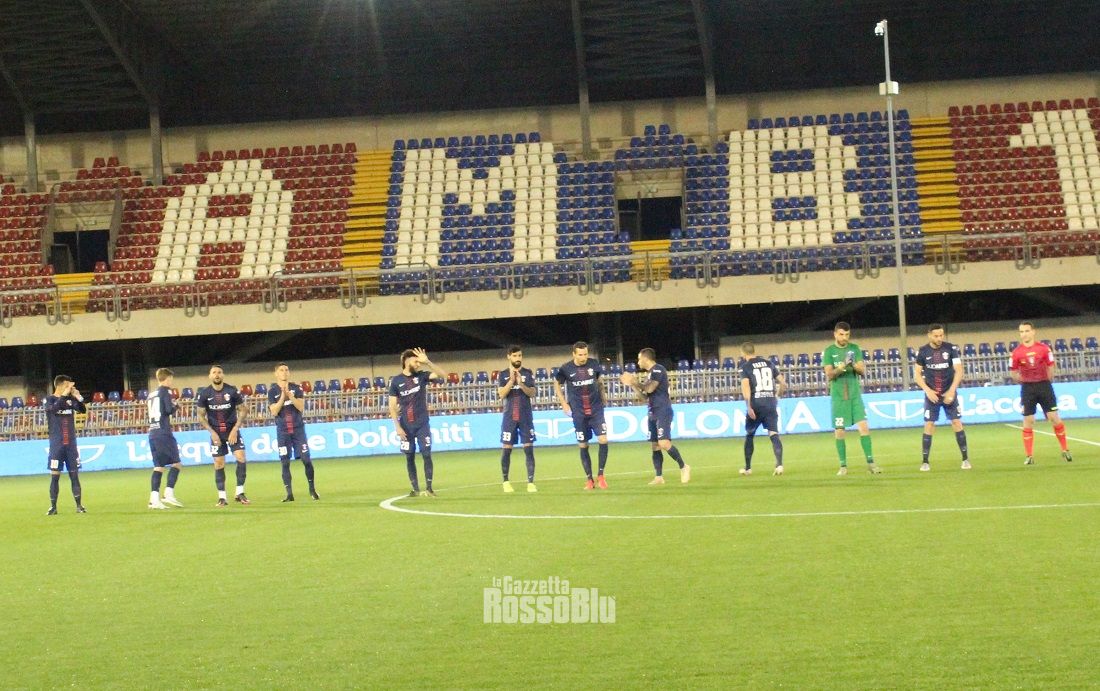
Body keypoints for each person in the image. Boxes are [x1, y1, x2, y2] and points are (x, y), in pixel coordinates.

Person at [620, 348, 690, 485]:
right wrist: (632, 385)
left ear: (646, 358)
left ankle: (684, 467)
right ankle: (659, 477)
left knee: (664, 443)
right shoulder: (649, 375)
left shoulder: (658, 369)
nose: (638, 362)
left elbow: (650, 388)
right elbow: (644, 397)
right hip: (652, 412)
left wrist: (635, 381)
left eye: (639, 359)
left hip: (662, 411)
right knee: (655, 445)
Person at [822, 322, 880, 475]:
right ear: (835, 334)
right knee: (840, 430)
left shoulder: (854, 349)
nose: (844, 337)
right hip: (839, 397)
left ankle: (871, 463)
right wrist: (842, 366)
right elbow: (829, 374)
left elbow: (862, 371)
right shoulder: (829, 351)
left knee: (864, 427)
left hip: (854, 395)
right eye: (841, 334)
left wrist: (852, 364)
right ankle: (843, 466)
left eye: (847, 334)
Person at [1010, 322, 1072, 465]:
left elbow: (1051, 366)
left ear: (1033, 332)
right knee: (1028, 420)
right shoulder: (1016, 352)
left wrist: (1047, 380)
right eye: (1021, 332)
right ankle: (1029, 456)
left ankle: (1065, 449)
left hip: (1044, 386)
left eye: (1026, 331)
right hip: (1027, 388)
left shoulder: (1044, 349)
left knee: (1053, 417)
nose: (1024, 334)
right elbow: (1013, 372)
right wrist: (1024, 382)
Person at [389, 347, 448, 497]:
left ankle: (429, 488)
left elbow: (443, 375)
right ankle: (415, 489)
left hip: (422, 424)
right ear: (407, 361)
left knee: (426, 454)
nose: (418, 364)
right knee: (409, 456)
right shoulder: (396, 381)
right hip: (405, 426)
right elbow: (392, 406)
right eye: (416, 361)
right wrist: (397, 427)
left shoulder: (422, 376)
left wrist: (428, 362)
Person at [913, 324, 970, 471]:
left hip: (948, 392)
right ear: (929, 335)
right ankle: (925, 462)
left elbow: (959, 370)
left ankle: (965, 459)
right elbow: (917, 374)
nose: (939, 338)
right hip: (932, 395)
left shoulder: (950, 349)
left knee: (956, 422)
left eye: (941, 335)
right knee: (929, 424)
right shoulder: (923, 351)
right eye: (936, 336)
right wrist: (927, 390)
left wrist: (952, 391)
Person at [554, 341, 609, 490]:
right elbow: (556, 383)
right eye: (580, 355)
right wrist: (563, 403)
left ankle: (601, 475)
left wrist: (603, 396)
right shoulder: (566, 368)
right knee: (583, 445)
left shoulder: (594, 364)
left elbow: (599, 381)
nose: (583, 357)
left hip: (596, 409)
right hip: (578, 412)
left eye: (585, 354)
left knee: (603, 439)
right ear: (574, 354)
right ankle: (589, 479)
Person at [196, 364, 250, 506]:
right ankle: (222, 497)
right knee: (219, 463)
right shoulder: (205, 394)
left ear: (223, 375)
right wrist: (212, 433)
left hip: (232, 431)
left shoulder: (231, 391)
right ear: (210, 376)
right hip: (216, 433)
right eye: (214, 372)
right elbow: (200, 416)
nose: (217, 374)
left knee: (241, 457)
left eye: (219, 372)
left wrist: (235, 429)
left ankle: (240, 492)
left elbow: (243, 410)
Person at [269, 363, 319, 501]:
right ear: (276, 373)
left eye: (286, 370)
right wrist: (282, 397)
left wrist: (290, 396)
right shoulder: (272, 391)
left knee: (306, 459)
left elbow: (301, 407)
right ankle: (289, 494)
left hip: (298, 430)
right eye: (281, 370)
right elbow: (274, 411)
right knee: (285, 462)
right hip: (283, 432)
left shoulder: (297, 388)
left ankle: (312, 490)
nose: (284, 372)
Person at [738, 342, 785, 476]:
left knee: (750, 435)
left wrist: (748, 406)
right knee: (774, 434)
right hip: (770, 403)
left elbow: (746, 387)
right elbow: (783, 382)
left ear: (743, 353)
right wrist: (777, 397)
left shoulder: (745, 367)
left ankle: (748, 468)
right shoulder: (769, 363)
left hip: (756, 404)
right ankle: (779, 465)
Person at [496, 346, 538, 493]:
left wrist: (520, 383)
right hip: (509, 417)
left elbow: (532, 393)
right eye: (515, 356)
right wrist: (511, 381)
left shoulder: (527, 373)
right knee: (507, 450)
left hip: (525, 416)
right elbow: (501, 394)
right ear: (509, 357)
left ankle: (531, 482)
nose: (518, 358)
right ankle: (506, 481)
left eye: (519, 355)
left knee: (529, 450)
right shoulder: (503, 374)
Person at [44, 375, 87, 515]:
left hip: (71, 445)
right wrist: (63, 395)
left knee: (74, 476)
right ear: (61, 385)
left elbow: (82, 409)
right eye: (68, 385)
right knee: (55, 476)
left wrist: (78, 396)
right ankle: (53, 507)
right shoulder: (50, 400)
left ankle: (79, 506)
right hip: (56, 445)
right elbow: (53, 410)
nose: (70, 387)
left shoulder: (70, 400)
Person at [148, 368, 184, 509]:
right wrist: (176, 406)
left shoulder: (151, 394)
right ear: (168, 378)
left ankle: (154, 499)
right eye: (171, 379)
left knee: (158, 467)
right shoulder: (165, 391)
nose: (171, 382)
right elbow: (168, 410)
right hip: (164, 433)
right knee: (176, 464)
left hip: (153, 432)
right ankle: (168, 494)